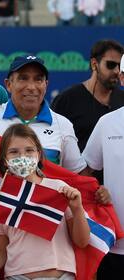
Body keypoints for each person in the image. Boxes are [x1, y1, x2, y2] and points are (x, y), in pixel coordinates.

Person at [0, 123, 90, 279]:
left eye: (29, 150)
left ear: (39, 154)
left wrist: (77, 209)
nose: (22, 157)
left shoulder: (59, 189)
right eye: (14, 152)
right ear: (4, 160)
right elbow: (1, 251)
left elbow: (82, 241)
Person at [0, 54, 87, 174]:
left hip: (44, 195)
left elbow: (77, 175)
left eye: (38, 79)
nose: (31, 87)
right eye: (23, 78)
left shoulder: (62, 125)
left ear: (46, 85)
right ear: (8, 84)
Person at [51, 40, 124, 183]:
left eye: (119, 66)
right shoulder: (67, 100)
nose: (116, 71)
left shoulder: (122, 99)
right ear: (94, 64)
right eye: (110, 65)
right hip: (78, 190)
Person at [82, 58, 124, 278]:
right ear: (123, 79)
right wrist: (96, 193)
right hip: (115, 244)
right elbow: (85, 174)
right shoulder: (107, 123)